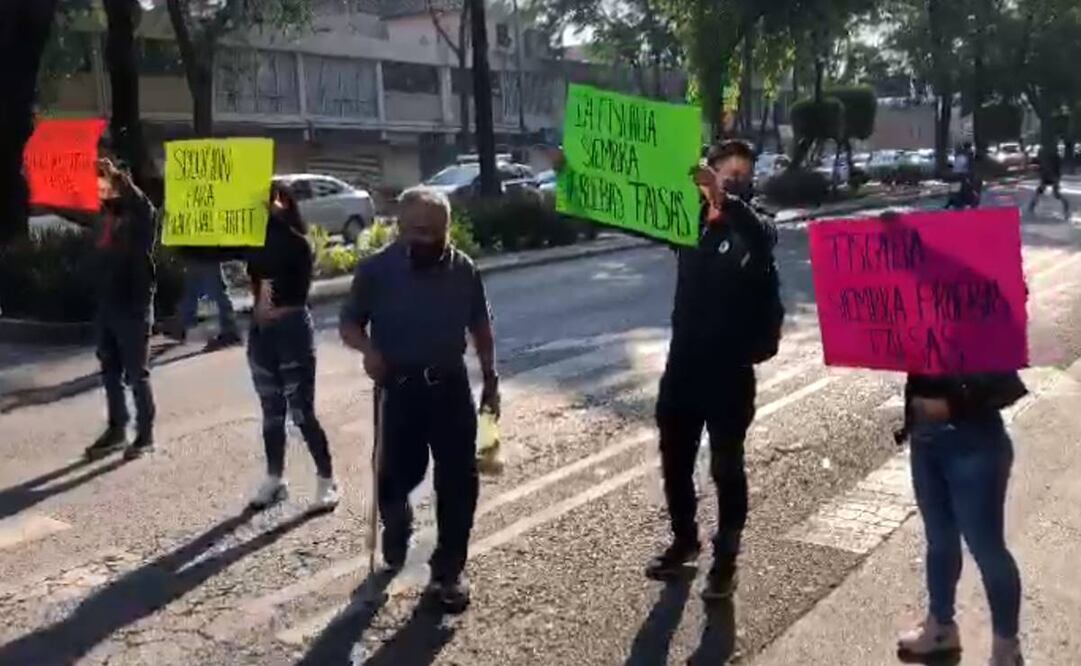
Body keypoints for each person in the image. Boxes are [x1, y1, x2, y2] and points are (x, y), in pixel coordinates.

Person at [339, 186, 500, 613]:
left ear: (447, 229)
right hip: (398, 389)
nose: (423, 238)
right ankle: (397, 521)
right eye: (414, 230)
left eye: (432, 231)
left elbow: (480, 325)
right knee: (394, 475)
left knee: (459, 482)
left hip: (450, 388)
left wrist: (490, 377)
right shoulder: (375, 271)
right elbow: (350, 323)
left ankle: (448, 572)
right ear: (399, 227)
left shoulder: (464, 269)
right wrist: (368, 350)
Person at [646, 140, 785, 599]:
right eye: (727, 173)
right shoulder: (687, 226)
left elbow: (763, 236)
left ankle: (726, 559)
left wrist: (725, 199)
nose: (736, 180)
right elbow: (629, 211)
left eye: (743, 175)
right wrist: (576, 179)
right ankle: (685, 540)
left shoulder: (755, 225)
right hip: (684, 365)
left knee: (727, 466)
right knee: (675, 458)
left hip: (730, 371)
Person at [895, 372, 1028, 666]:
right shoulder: (918, 322)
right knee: (939, 540)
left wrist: (955, 402)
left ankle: (1006, 650)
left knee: (986, 548)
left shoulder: (989, 323)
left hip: (974, 440)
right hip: (924, 436)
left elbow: (1006, 381)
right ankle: (941, 629)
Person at [245, 183, 339, 512]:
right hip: (262, 334)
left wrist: (274, 311)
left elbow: (298, 296)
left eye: (272, 199)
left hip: (291, 332)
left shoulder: (297, 244)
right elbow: (258, 280)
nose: (266, 206)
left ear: (285, 203)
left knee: (302, 412)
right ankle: (274, 478)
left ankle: (327, 480)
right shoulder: (254, 241)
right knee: (272, 413)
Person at [63, 158, 158, 462]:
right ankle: (117, 429)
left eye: (107, 184)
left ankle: (145, 435)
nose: (101, 190)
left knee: (136, 374)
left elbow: (145, 206)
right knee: (109, 372)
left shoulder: (138, 218)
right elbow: (76, 211)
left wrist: (118, 177)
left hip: (132, 305)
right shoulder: (103, 218)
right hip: (107, 304)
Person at [170, 256, 242, 351]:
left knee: (213, 290)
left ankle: (229, 331)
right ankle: (183, 325)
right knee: (194, 289)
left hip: (204, 254)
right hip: (199, 253)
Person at [1028, 144, 1070, 218]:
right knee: (1055, 194)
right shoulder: (1054, 156)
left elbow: (1036, 166)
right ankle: (1066, 210)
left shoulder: (1043, 157)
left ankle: (1031, 208)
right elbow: (1058, 167)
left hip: (1048, 177)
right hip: (1052, 177)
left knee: (1042, 192)